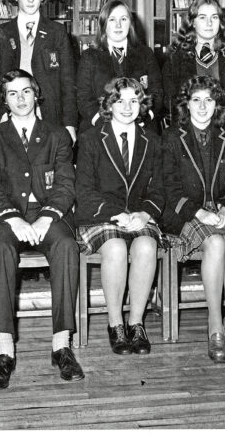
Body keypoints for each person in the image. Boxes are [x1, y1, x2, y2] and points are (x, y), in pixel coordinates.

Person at [0, 69, 83, 389]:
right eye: (12, 93)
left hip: (46, 215)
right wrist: (13, 219)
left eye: (26, 92)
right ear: (5, 100)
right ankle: (5, 349)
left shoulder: (57, 135)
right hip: (7, 219)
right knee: (0, 249)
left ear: (37, 95)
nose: (20, 99)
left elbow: (66, 185)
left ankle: (61, 345)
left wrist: (46, 217)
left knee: (67, 246)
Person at [161, 75, 225, 362]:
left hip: (223, 211)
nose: (202, 107)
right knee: (214, 243)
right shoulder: (172, 137)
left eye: (209, 100)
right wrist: (199, 212)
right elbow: (169, 186)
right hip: (185, 212)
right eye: (196, 100)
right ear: (186, 105)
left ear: (217, 105)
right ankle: (214, 325)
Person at [75, 77, 165, 356]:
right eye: (120, 100)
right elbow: (84, 190)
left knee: (147, 245)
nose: (127, 107)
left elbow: (159, 188)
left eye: (134, 101)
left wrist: (145, 213)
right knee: (114, 248)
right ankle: (115, 324)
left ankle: (136, 323)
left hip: (139, 216)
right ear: (108, 105)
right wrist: (117, 214)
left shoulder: (152, 140)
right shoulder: (91, 139)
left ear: (142, 104)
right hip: (100, 216)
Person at [0, 0, 77, 143]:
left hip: (49, 117)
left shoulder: (57, 32)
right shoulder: (0, 34)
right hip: (11, 116)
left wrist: (70, 124)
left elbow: (68, 83)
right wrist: (2, 114)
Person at [162, 0, 225, 132]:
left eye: (214, 17)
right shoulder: (177, 57)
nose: (209, 23)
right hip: (190, 131)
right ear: (192, 22)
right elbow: (170, 98)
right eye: (202, 17)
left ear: (221, 22)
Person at [77, 0, 163, 134]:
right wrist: (107, 124)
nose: (118, 25)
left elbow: (157, 94)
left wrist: (143, 119)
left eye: (123, 19)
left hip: (141, 128)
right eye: (112, 19)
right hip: (100, 130)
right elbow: (84, 98)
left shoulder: (146, 54)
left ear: (130, 23)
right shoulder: (89, 57)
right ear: (103, 24)